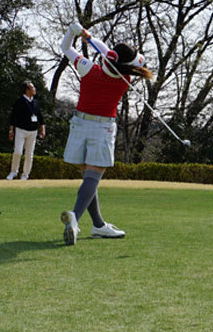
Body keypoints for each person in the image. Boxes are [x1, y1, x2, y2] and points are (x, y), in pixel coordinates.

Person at [59, 22, 153, 246]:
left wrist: (73, 32)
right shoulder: (124, 79)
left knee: (89, 180)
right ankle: (75, 218)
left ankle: (99, 225)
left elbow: (65, 47)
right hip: (102, 129)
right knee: (93, 178)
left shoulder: (87, 69)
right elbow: (105, 52)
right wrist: (89, 37)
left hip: (80, 124)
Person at [6, 81, 46, 181]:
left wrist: (42, 129)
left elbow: (40, 117)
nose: (34, 89)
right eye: (32, 88)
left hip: (33, 131)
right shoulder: (19, 102)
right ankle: (13, 172)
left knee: (29, 154)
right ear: (27, 90)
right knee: (18, 152)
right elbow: (13, 117)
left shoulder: (36, 102)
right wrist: (11, 131)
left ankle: (25, 174)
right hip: (20, 130)